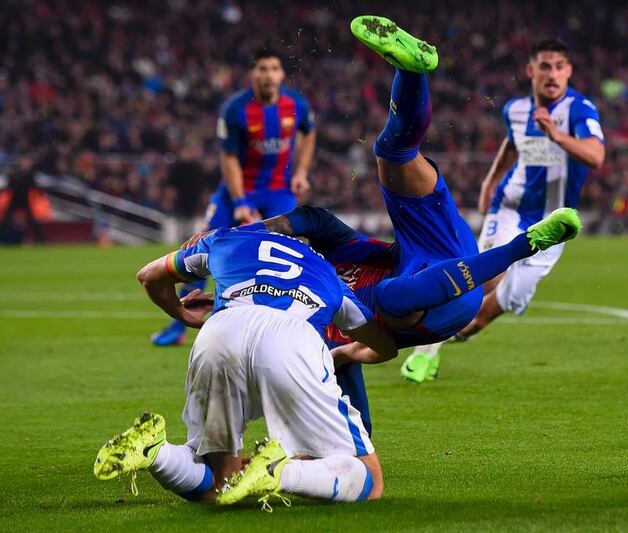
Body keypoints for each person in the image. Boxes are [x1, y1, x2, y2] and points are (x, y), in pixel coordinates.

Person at [182, 16, 582, 432]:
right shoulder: (322, 308)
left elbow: (313, 219)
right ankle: (528, 243)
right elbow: (343, 361)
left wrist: (234, 234)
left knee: (392, 153)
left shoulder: (320, 275)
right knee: (391, 301)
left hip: (422, 249)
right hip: (442, 304)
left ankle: (411, 70)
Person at [94, 226, 396, 507]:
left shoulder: (225, 239)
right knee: (371, 480)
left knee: (220, 485)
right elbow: (383, 347)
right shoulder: (329, 276)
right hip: (292, 337)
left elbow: (148, 275)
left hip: (221, 331)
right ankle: (280, 472)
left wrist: (183, 315)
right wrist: (341, 355)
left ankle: (156, 452)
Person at [402, 38, 606, 383]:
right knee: (485, 274)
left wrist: (556, 135)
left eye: (559, 66)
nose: (552, 74)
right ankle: (424, 352)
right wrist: (491, 180)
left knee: (493, 310)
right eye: (544, 66)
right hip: (511, 206)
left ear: (569, 71)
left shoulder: (580, 111)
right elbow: (512, 143)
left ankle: (442, 336)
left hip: (554, 221)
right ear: (531, 71)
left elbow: (596, 155)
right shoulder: (515, 109)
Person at [151, 45, 317, 346]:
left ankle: (285, 324)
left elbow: (309, 132)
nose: (269, 75)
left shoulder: (297, 106)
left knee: (287, 253)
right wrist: (240, 202)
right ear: (252, 73)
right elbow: (228, 160)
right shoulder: (236, 109)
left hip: (278, 192)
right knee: (199, 247)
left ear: (282, 73)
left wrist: (302, 171)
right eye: (262, 69)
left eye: (274, 69)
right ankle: (178, 325)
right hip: (235, 192)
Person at [1, 156, 46, 243]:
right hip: (14, 200)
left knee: (32, 220)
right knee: (5, 220)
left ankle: (41, 239)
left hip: (25, 201)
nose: (26, 164)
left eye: (28, 163)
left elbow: (35, 188)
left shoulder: (30, 175)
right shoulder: (14, 174)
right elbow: (9, 187)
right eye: (25, 162)